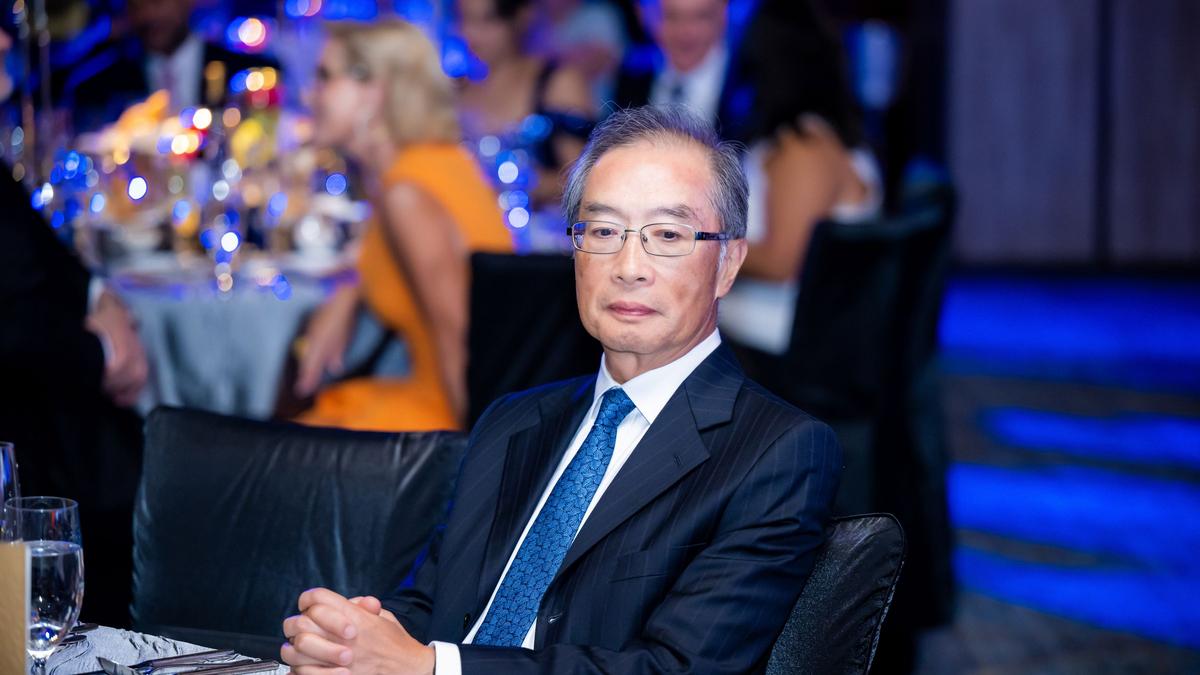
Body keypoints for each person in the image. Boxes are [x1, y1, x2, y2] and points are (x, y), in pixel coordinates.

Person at [279, 105, 842, 674]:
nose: (629, 266)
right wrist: (350, 640)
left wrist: (433, 668)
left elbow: (676, 669)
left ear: (727, 263)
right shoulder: (514, 421)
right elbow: (433, 608)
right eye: (603, 231)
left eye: (668, 235)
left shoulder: (776, 453)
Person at [293, 20, 511, 433]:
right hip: (430, 400)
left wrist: (478, 460)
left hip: (449, 418)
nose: (309, 94)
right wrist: (348, 290)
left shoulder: (408, 194)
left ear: (374, 92)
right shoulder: (416, 170)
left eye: (325, 77)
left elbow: (458, 337)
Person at [0, 27, 148, 627]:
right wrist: (103, 349)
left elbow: (48, 258)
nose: (5, 41)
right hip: (27, 440)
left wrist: (101, 299)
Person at [717, 0, 884, 355]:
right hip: (809, 315)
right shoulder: (822, 136)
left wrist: (702, 246)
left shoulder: (805, 149)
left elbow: (783, 262)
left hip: (789, 324)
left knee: (666, 311)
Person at [456, 0, 596, 209]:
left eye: (487, 20)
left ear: (521, 17)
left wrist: (517, 184)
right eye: (463, 19)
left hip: (542, 227)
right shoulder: (456, 89)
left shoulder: (556, 82)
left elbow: (585, 181)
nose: (470, 34)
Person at [63, 0, 279, 131]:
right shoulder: (95, 86)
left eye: (158, 2)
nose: (148, 15)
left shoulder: (250, 72)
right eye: (136, 5)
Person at [613, 0, 742, 135]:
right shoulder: (632, 76)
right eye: (672, 16)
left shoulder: (747, 83)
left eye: (700, 17)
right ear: (646, 16)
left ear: (723, 17)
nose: (685, 32)